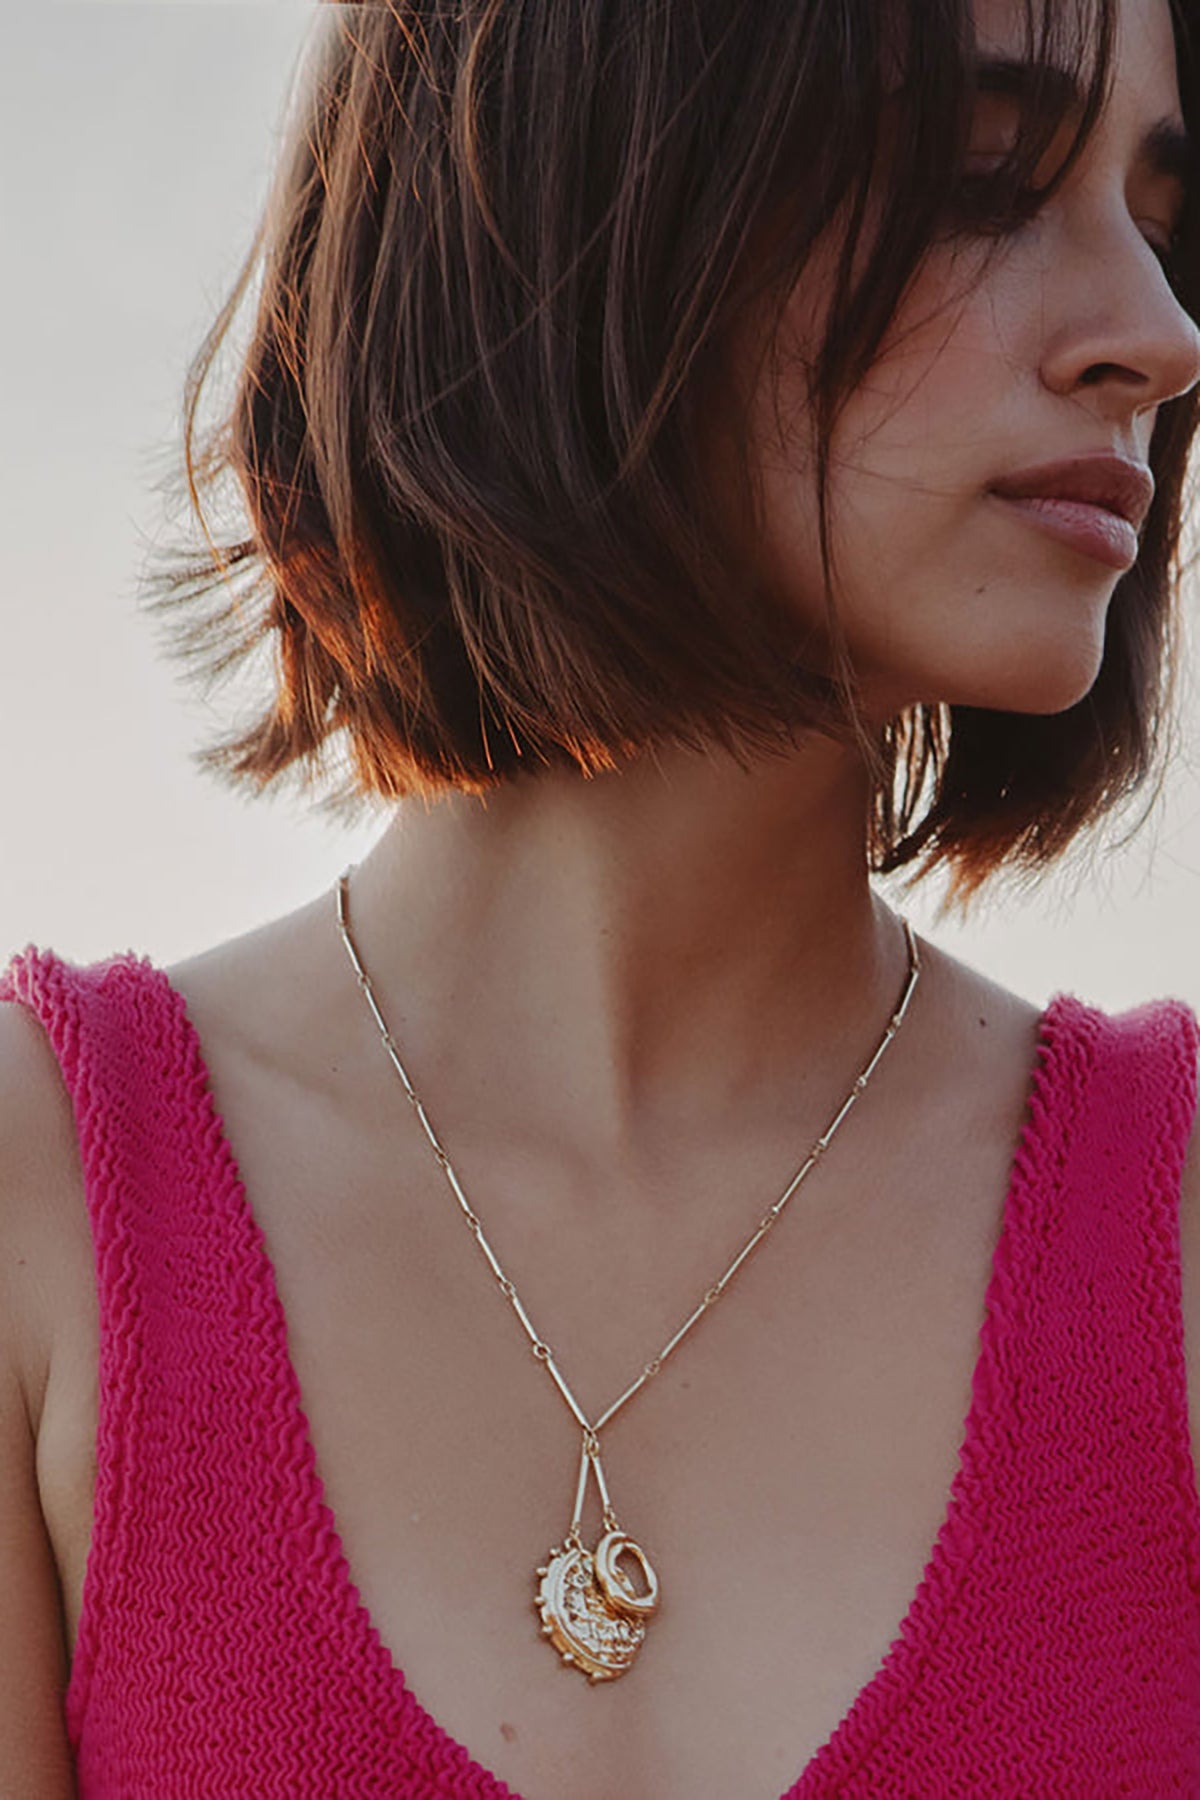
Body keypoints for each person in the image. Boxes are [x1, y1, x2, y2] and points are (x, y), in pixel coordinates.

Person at [3, 0, 1199, 1792]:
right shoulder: (45, 1210)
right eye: (981, 179)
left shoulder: (1171, 1236)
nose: (1159, 337)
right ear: (584, 198)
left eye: (1163, 222)